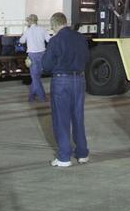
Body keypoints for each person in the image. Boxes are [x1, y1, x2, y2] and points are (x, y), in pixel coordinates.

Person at [41, 12, 89, 167]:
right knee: (78, 117)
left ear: (55, 24)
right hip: (79, 80)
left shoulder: (55, 40)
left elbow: (47, 65)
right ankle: (82, 153)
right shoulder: (81, 38)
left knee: (61, 119)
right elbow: (87, 58)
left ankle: (64, 157)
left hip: (62, 81)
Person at [18, 14, 49, 102]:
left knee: (35, 78)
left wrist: (23, 34)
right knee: (37, 77)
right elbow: (49, 39)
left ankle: (42, 97)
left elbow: (21, 41)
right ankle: (31, 97)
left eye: (28, 21)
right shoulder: (42, 29)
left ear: (30, 21)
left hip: (32, 56)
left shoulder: (28, 31)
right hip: (42, 54)